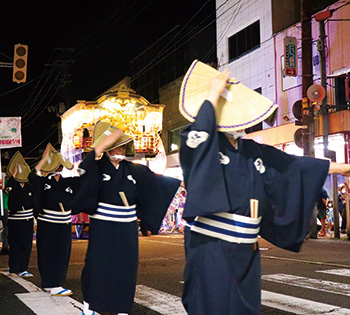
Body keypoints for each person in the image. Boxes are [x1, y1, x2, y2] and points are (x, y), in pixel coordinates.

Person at [178, 61, 350, 315]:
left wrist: (343, 168)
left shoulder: (253, 151)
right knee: (213, 307)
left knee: (245, 310)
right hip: (212, 247)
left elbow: (294, 166)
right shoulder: (205, 144)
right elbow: (196, 141)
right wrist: (212, 97)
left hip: (247, 250)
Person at [72, 121, 181, 315]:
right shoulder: (96, 167)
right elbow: (83, 172)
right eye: (115, 146)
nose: (119, 149)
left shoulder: (134, 170)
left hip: (127, 227)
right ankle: (91, 304)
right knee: (98, 265)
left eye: (122, 146)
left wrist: (148, 221)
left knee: (126, 267)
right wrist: (97, 147)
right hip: (104, 225)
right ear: (106, 150)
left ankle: (122, 306)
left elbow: (155, 189)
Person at [29, 143, 79, 296]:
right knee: (46, 252)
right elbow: (31, 177)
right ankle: (49, 283)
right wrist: (43, 160)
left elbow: (85, 181)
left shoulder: (68, 182)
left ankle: (57, 282)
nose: (58, 169)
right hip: (47, 222)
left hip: (63, 223)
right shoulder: (43, 182)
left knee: (62, 253)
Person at [6, 151, 34, 277]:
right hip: (15, 219)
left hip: (27, 219)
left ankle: (23, 267)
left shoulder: (29, 186)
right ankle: (13, 267)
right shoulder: (12, 185)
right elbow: (11, 197)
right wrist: (14, 176)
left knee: (26, 244)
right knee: (14, 244)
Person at [0, 170, 9, 255]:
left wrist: (4, 188)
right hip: (3, 207)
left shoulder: (7, 182)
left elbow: (10, 192)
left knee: (6, 228)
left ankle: (5, 247)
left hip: (5, 207)